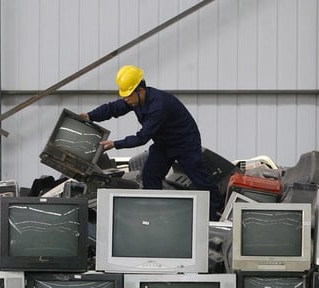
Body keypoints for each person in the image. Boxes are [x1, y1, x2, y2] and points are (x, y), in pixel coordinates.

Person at [81, 65, 224, 220]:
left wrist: (115, 144)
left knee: (199, 179)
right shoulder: (135, 100)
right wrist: (90, 116)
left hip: (185, 142)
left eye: (128, 95)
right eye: (124, 96)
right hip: (163, 142)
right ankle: (156, 214)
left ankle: (216, 214)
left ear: (140, 90)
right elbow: (113, 108)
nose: (126, 99)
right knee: (150, 175)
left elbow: (142, 138)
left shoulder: (159, 106)